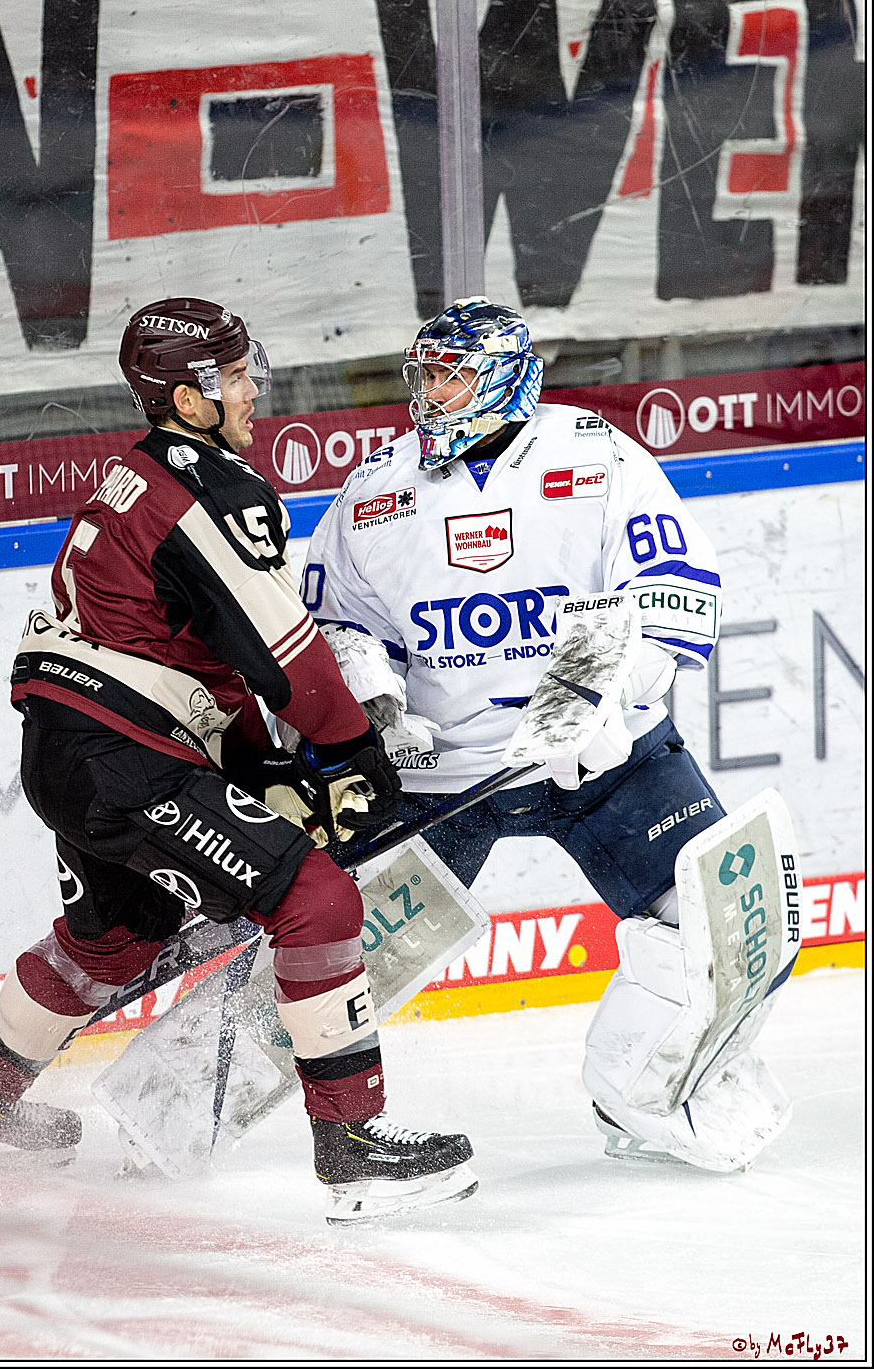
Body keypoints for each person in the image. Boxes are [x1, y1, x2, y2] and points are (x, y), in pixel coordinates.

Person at [0, 297, 476, 1223]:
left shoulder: (130, 474)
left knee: (111, 938)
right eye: (238, 374)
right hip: (127, 756)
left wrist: (265, 772)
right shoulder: (212, 490)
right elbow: (285, 656)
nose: (256, 388)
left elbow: (201, 662)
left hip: (68, 749)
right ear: (191, 394)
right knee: (317, 898)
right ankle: (354, 1147)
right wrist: (349, 755)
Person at [303, 296, 795, 1173]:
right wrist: (377, 705)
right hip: (443, 777)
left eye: (450, 374)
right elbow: (336, 621)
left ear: (501, 377)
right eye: (423, 375)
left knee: (731, 922)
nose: (428, 393)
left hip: (607, 764)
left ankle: (642, 1092)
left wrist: (605, 701)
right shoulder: (375, 491)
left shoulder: (596, 457)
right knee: (329, 942)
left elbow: (675, 591)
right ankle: (192, 1092)